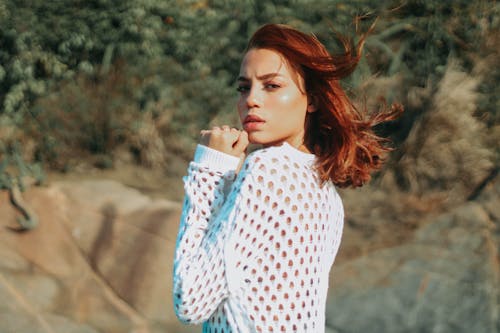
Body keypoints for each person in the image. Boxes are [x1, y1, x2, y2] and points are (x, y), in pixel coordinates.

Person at [173, 23, 401, 332]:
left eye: (272, 86)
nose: (251, 99)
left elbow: (190, 301)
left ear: (313, 99)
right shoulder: (322, 187)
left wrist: (209, 169)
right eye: (244, 87)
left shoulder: (269, 169)